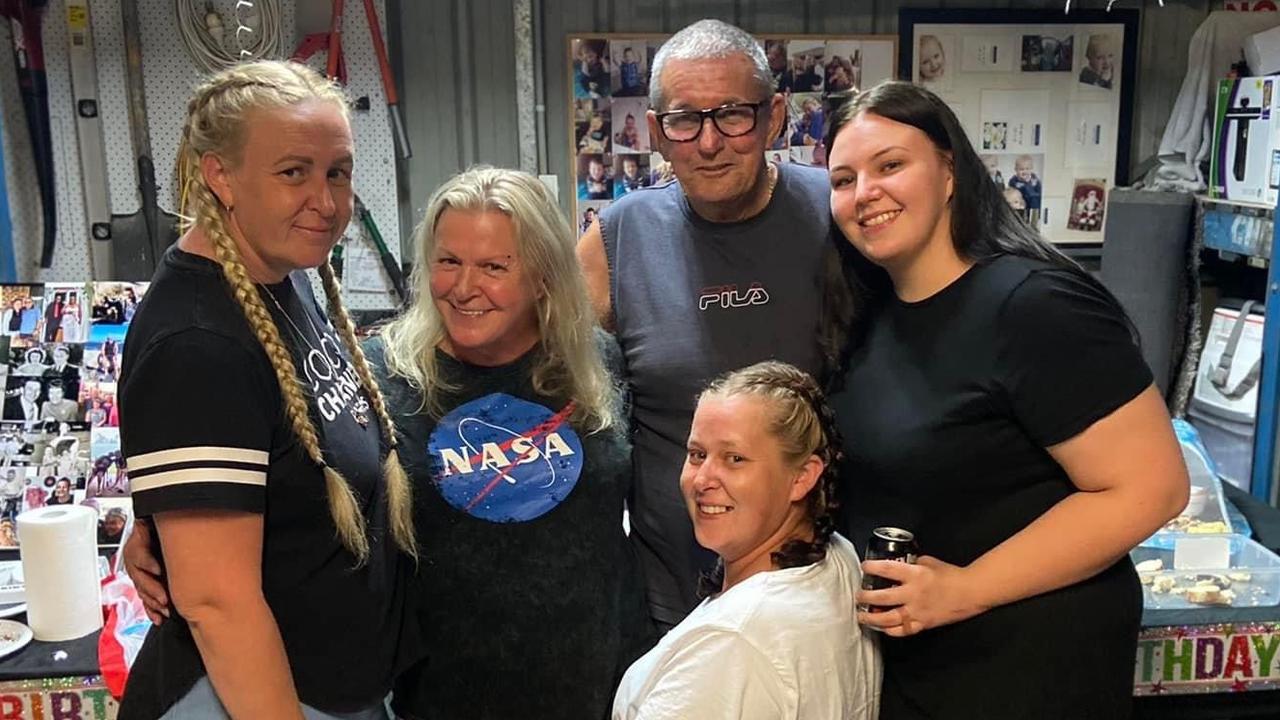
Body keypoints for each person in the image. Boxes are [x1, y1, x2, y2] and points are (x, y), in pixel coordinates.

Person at [824, 81, 1188, 718]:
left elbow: (1151, 488)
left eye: (890, 166)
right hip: (923, 665)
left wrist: (967, 588)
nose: (864, 194)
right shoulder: (876, 316)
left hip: (1027, 666)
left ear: (950, 172)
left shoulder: (1033, 304)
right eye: (842, 179)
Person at [114, 60, 417, 720]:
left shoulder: (281, 276)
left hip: (331, 686)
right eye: (293, 172)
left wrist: (160, 516)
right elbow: (217, 604)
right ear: (221, 176)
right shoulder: (199, 343)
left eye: (336, 171)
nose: (327, 200)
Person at [577, 18, 849, 630]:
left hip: (818, 595)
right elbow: (559, 396)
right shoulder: (616, 239)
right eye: (684, 119)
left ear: (775, 116)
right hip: (672, 601)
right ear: (655, 132)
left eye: (733, 114)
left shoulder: (837, 218)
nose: (708, 142)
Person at [372, 166, 652, 718]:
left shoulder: (599, 363)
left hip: (602, 686)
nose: (464, 287)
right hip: (445, 695)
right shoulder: (386, 378)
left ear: (544, 276)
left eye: (494, 267)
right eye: (448, 261)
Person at [612, 361, 881, 719]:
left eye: (734, 458)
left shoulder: (731, 646)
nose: (702, 479)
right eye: (697, 455)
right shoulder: (837, 558)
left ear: (802, 476)